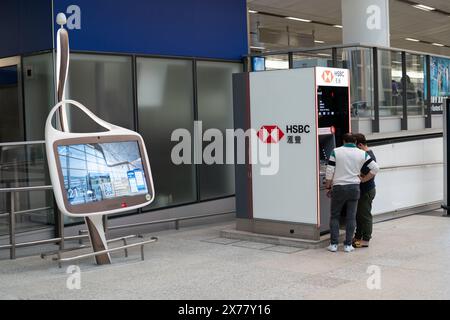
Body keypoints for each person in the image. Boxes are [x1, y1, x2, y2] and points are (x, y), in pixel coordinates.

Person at [325, 133, 379, 253]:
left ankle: (333, 245)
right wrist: (362, 179)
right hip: (354, 188)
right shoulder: (362, 153)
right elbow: (375, 168)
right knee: (351, 217)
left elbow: (330, 170)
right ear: (355, 143)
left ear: (344, 141)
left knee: (335, 216)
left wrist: (328, 186)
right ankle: (348, 245)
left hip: (339, 187)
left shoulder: (336, 151)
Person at [353, 133, 377, 248]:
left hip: (366, 190)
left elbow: (372, 171)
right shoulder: (366, 154)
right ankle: (358, 236)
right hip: (365, 190)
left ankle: (366, 239)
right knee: (360, 215)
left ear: (360, 145)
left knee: (365, 215)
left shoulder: (367, 155)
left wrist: (362, 180)